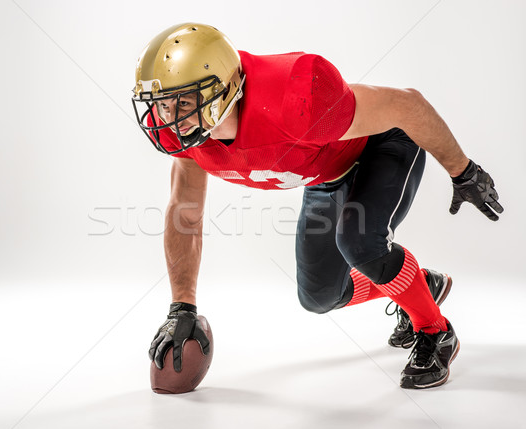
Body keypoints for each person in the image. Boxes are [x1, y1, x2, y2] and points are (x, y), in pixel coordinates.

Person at [132, 23, 503, 389]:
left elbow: (407, 105)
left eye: (183, 102)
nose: (169, 117)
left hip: (383, 144)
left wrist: (464, 171)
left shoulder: (295, 97)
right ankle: (417, 286)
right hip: (326, 174)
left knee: (360, 243)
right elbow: (186, 212)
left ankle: (435, 330)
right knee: (320, 296)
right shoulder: (184, 134)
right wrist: (182, 306)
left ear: (226, 89)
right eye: (162, 104)